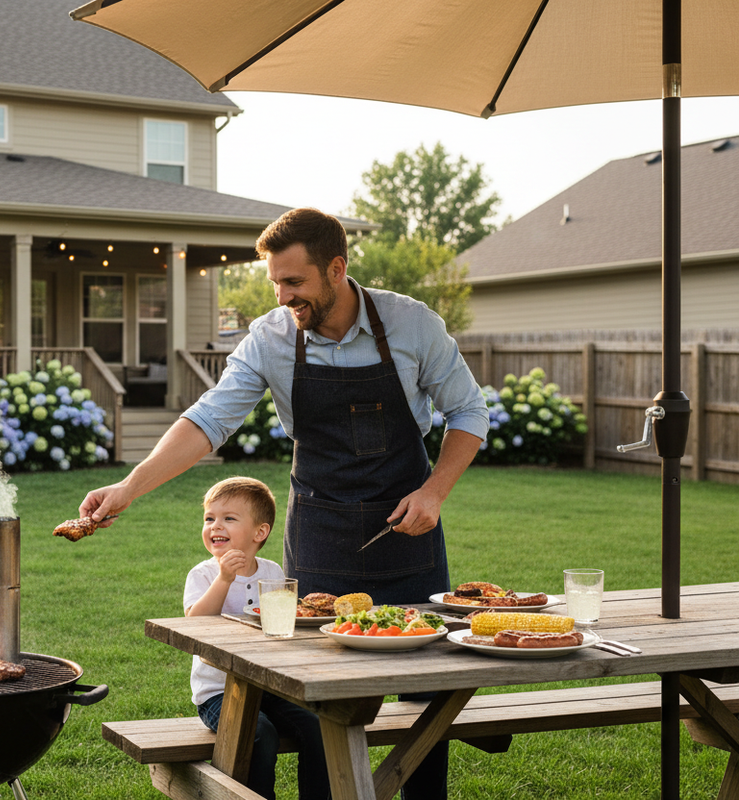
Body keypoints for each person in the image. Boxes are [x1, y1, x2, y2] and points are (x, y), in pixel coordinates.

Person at [80, 207, 489, 799]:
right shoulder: (270, 338)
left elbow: (469, 412)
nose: (283, 295)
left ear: (336, 269)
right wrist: (128, 487)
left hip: (409, 530)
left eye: (294, 282)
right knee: (324, 692)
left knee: (426, 697)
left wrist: (435, 491)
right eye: (276, 282)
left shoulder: (411, 324)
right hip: (320, 530)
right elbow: (208, 420)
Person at [184, 476, 329, 800]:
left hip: (269, 686)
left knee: (318, 726)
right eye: (209, 518)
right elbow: (195, 626)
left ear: (259, 532)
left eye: (228, 518)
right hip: (219, 693)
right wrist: (225, 578)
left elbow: (283, 623)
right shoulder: (204, 574)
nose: (214, 526)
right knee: (258, 732)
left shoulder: (272, 572)